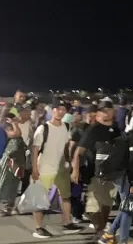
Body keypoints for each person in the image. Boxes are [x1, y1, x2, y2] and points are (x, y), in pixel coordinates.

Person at [31, 99, 83, 238]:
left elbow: (66, 147)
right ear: (52, 110)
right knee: (40, 199)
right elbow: (35, 149)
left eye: (63, 109)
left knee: (66, 196)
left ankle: (67, 223)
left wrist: (70, 163)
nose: (60, 112)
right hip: (45, 168)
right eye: (58, 109)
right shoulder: (44, 128)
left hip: (61, 168)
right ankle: (38, 228)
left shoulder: (66, 126)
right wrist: (35, 168)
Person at [72, 100, 122, 240]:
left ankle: (102, 231)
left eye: (109, 110)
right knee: (92, 208)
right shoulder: (94, 129)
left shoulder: (117, 129)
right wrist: (75, 169)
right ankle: (100, 230)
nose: (106, 113)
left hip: (112, 173)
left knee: (106, 203)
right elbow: (78, 151)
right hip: (95, 172)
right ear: (98, 114)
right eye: (103, 111)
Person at [98, 111, 133, 244]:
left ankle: (109, 235)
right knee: (129, 208)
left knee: (126, 206)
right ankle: (123, 241)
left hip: (116, 173)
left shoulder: (127, 135)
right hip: (124, 175)